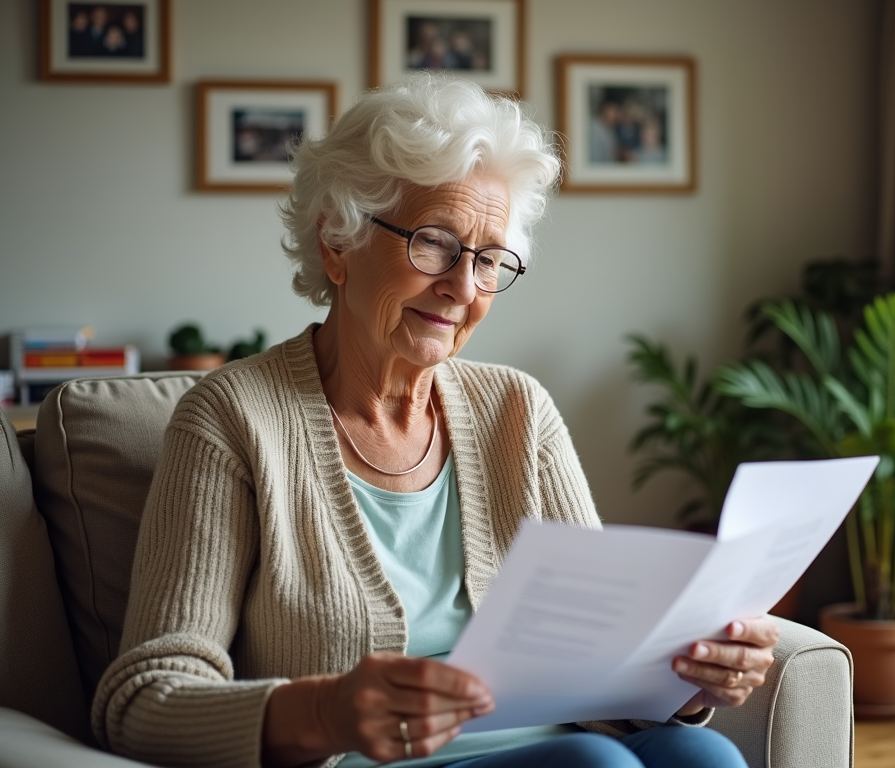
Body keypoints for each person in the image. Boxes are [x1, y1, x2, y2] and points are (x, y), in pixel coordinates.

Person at [92, 73, 778, 768]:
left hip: (563, 750)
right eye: (433, 243)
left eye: (488, 261)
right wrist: (327, 712)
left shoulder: (519, 410)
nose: (461, 286)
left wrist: (689, 679)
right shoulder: (232, 418)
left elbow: (598, 659)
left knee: (704, 755)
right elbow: (145, 701)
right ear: (337, 241)